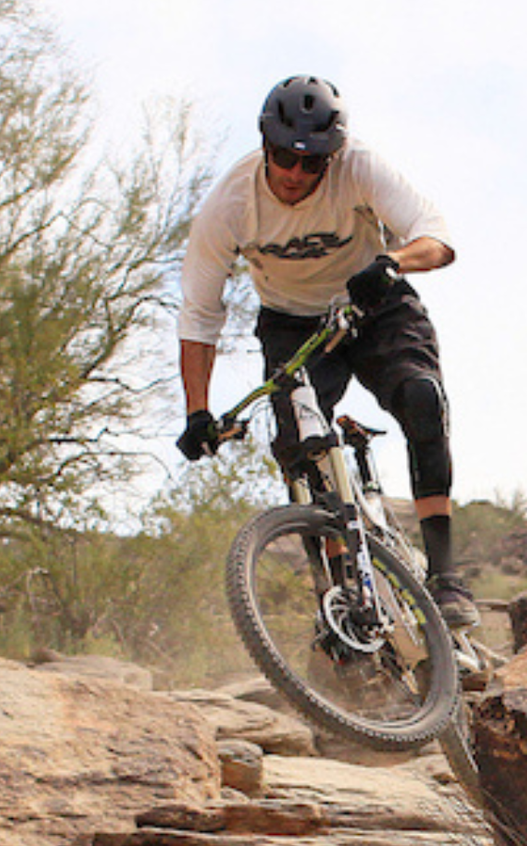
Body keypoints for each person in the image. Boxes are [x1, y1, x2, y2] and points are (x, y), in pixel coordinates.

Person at [174, 74, 476, 629]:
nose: (295, 172)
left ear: (332, 158)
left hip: (375, 305)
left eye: (312, 162)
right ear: (264, 146)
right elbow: (199, 314)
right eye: (283, 157)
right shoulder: (231, 203)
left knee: (421, 398)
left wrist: (391, 262)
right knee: (302, 450)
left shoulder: (359, 166)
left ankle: (445, 575)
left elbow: (437, 237)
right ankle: (341, 601)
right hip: (292, 324)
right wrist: (197, 410)